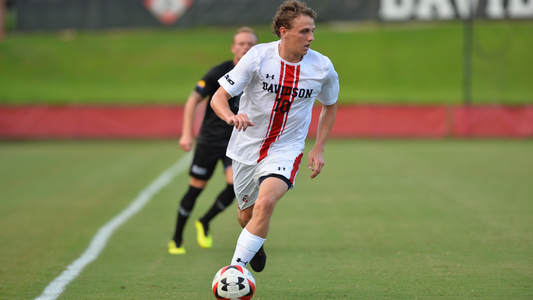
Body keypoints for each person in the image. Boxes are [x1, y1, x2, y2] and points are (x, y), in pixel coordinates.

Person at [211, 0, 339, 272]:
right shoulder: (258, 57)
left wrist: (319, 148)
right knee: (246, 215)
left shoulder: (322, 67)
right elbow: (219, 97)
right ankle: (255, 244)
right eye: (304, 31)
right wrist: (229, 116)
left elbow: (330, 105)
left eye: (312, 30)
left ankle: (234, 271)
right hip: (246, 147)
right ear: (283, 31)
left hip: (287, 148)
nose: (311, 37)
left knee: (266, 202)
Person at [168, 27, 258, 255]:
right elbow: (193, 100)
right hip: (210, 141)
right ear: (233, 47)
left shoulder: (259, 73)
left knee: (234, 186)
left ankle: (205, 221)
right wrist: (187, 133)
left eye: (250, 44)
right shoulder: (219, 72)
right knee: (196, 188)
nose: (246, 47)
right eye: (241, 43)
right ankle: (177, 238)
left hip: (236, 142)